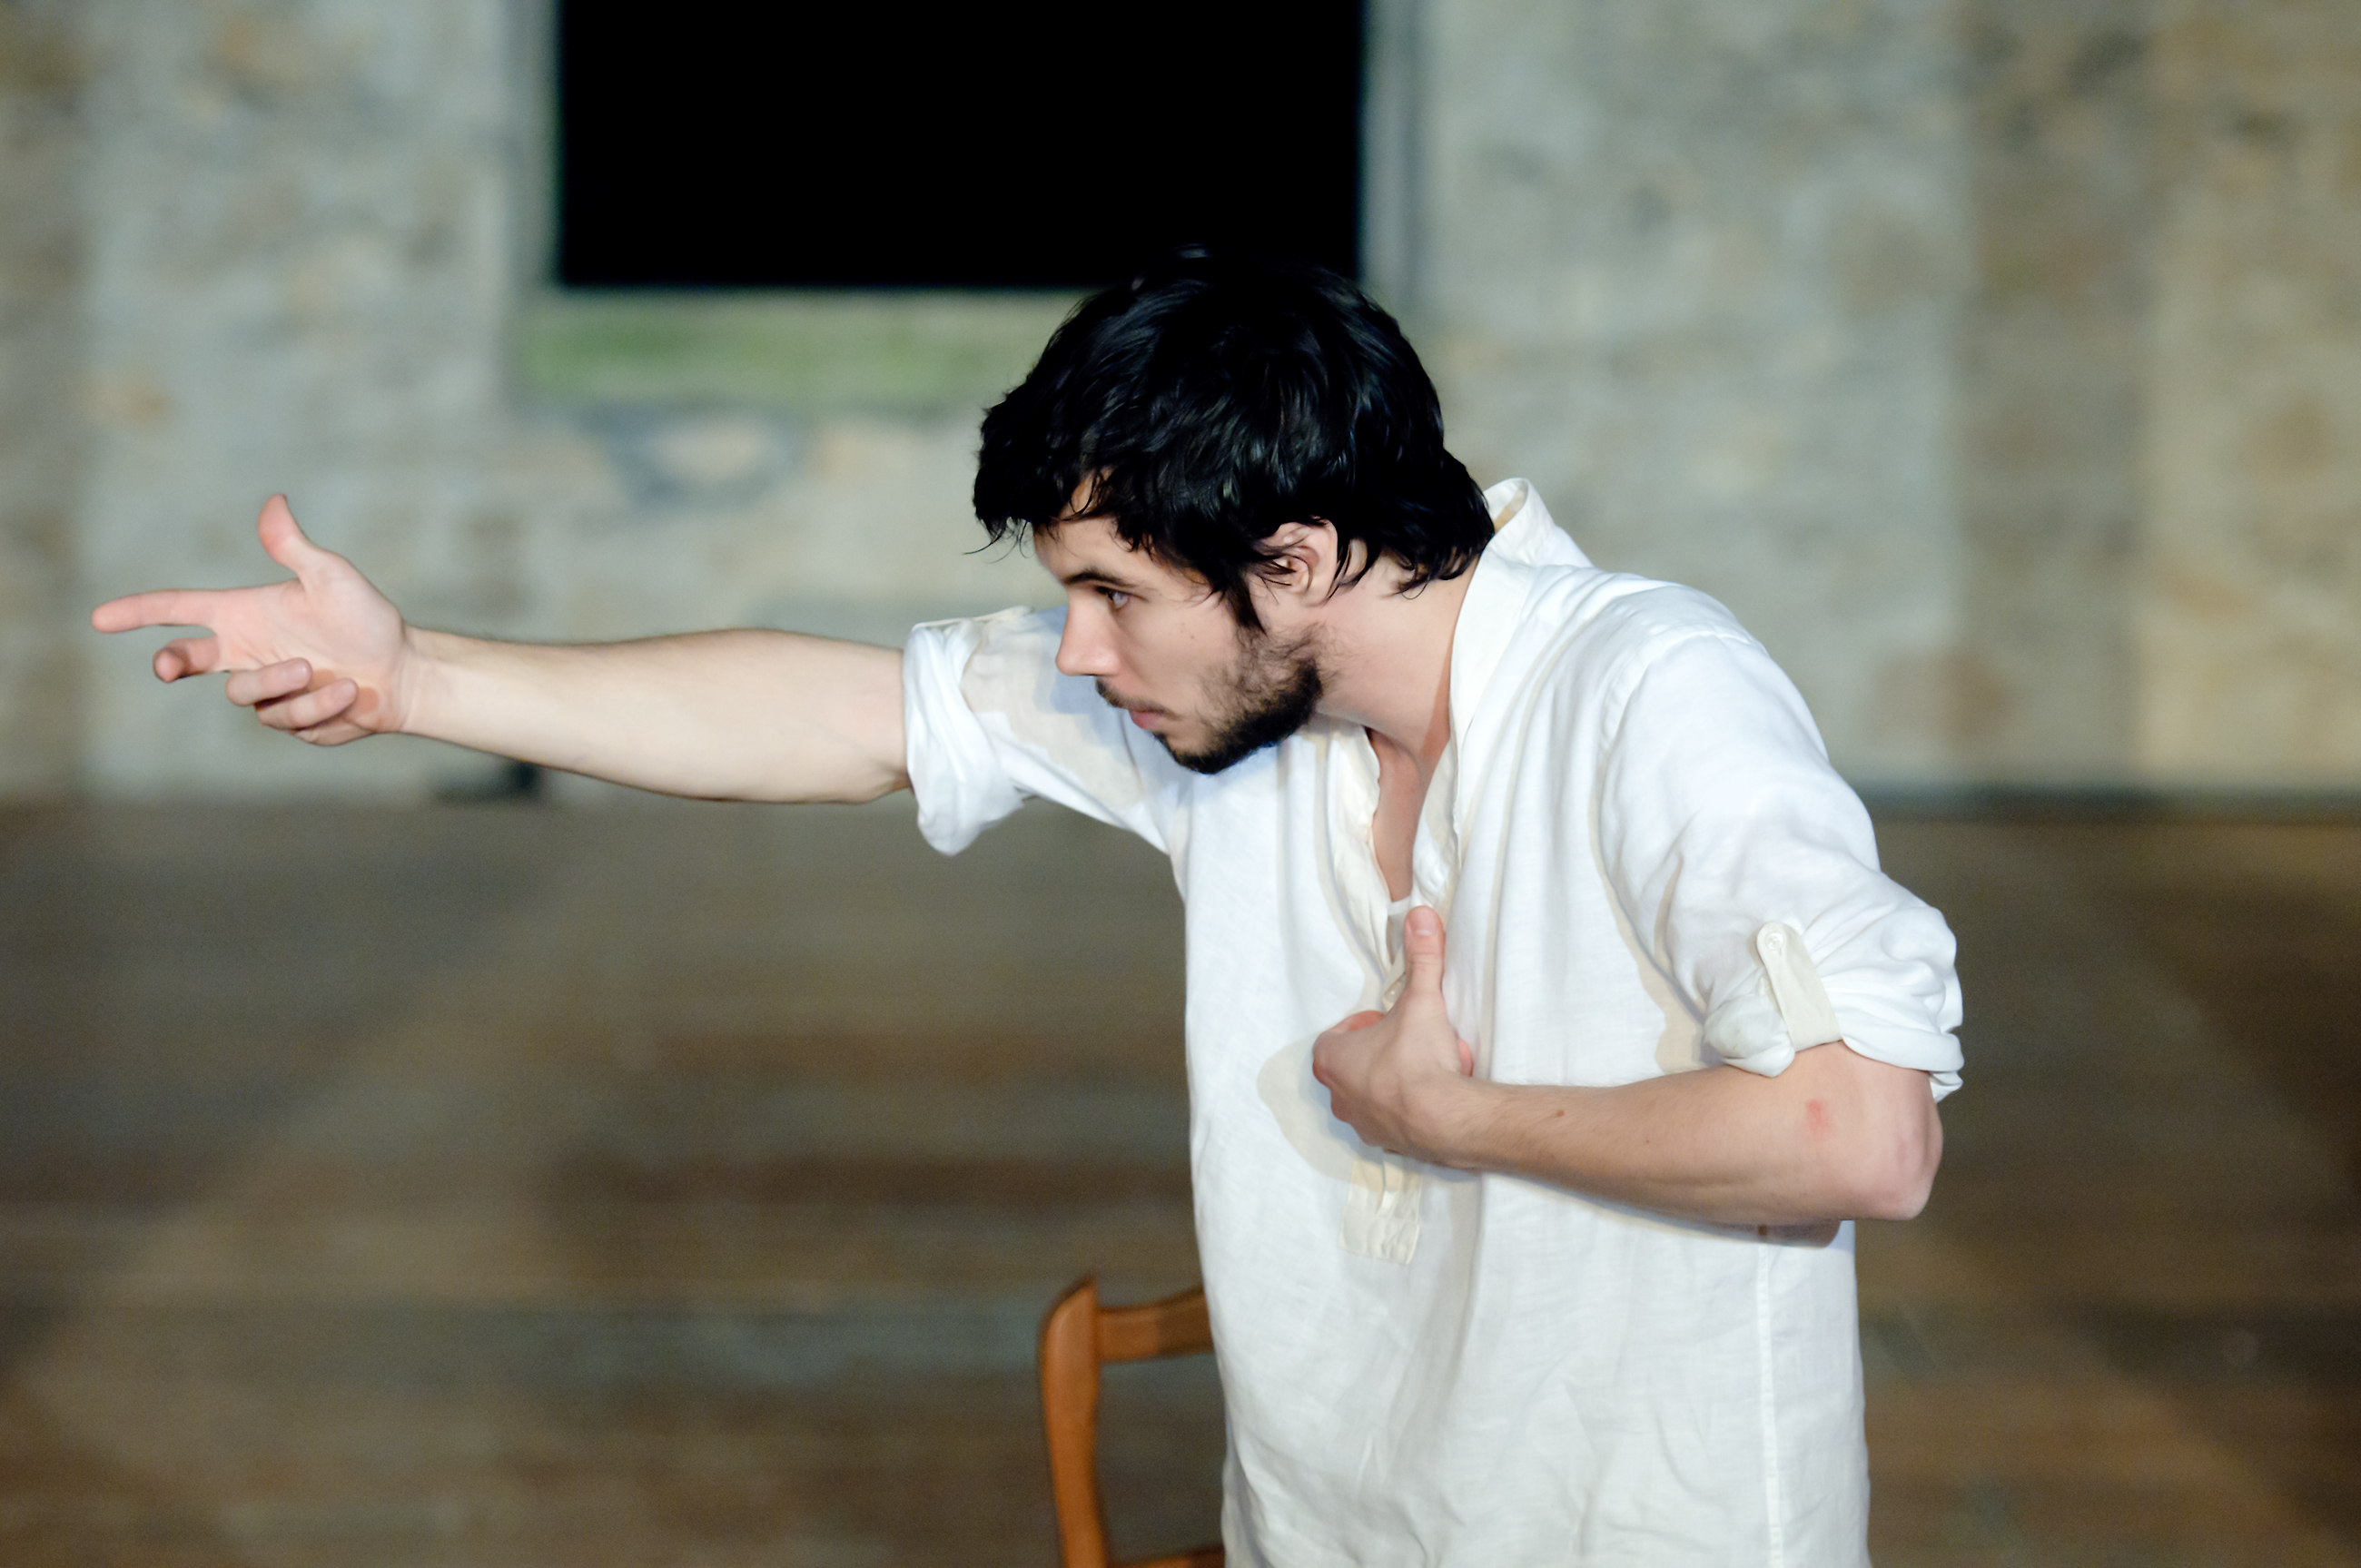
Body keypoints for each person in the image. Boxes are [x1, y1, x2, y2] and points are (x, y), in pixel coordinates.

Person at [95, 251, 1961, 1566]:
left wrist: (1446, 1116)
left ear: (1299, 556)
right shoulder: (1243, 703)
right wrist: (416, 677)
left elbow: (1859, 1133)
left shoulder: (1651, 693)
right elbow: (844, 716)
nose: (1077, 649)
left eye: (1110, 593)